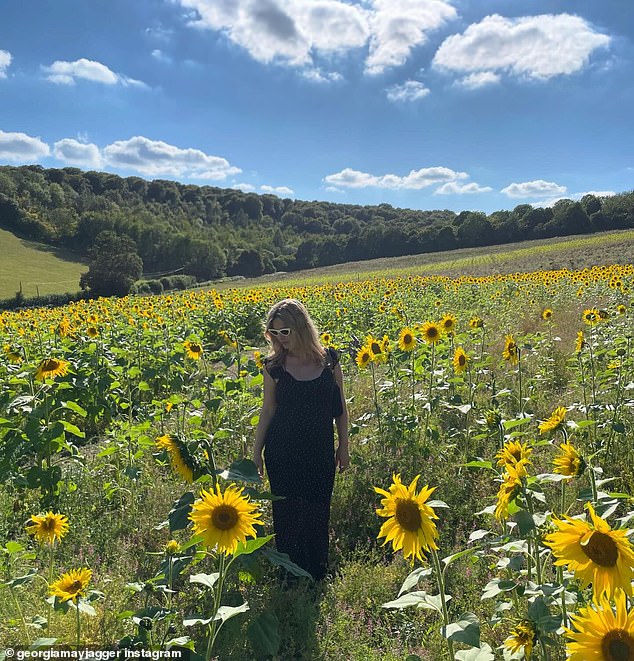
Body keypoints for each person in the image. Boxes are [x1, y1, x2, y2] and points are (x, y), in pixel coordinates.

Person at [253, 298, 349, 581]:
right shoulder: (273, 367)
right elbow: (268, 409)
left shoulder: (329, 361)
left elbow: (340, 408)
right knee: (287, 513)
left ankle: (317, 574)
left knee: (319, 510)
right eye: (275, 333)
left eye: (285, 331)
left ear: (301, 327)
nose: (280, 339)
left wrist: (344, 446)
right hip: (282, 452)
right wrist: (256, 451)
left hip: (319, 450)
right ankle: (290, 578)